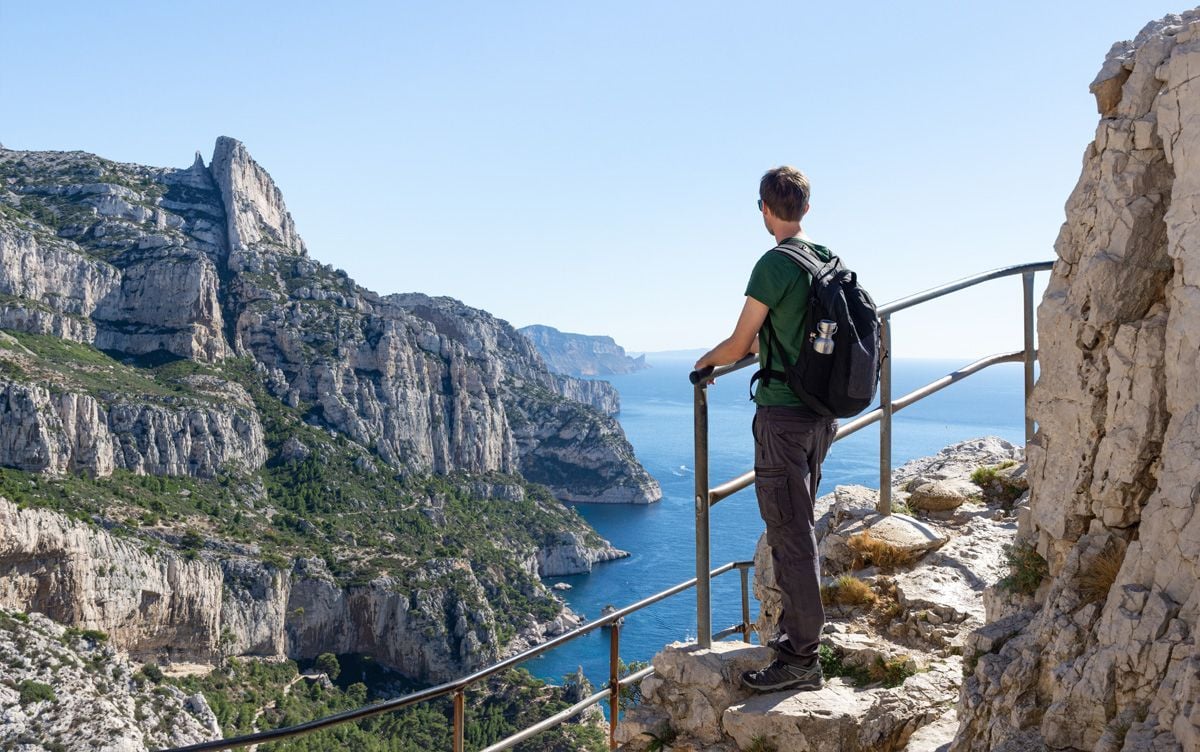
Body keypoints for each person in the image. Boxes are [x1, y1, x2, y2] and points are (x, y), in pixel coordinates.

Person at [693, 166, 838, 692]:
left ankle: (801, 657)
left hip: (783, 417)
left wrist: (703, 364)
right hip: (822, 415)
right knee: (798, 526)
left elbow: (740, 343)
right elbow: (782, 337)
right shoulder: (826, 259)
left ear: (764, 209)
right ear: (805, 207)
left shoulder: (774, 265)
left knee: (790, 534)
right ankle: (800, 640)